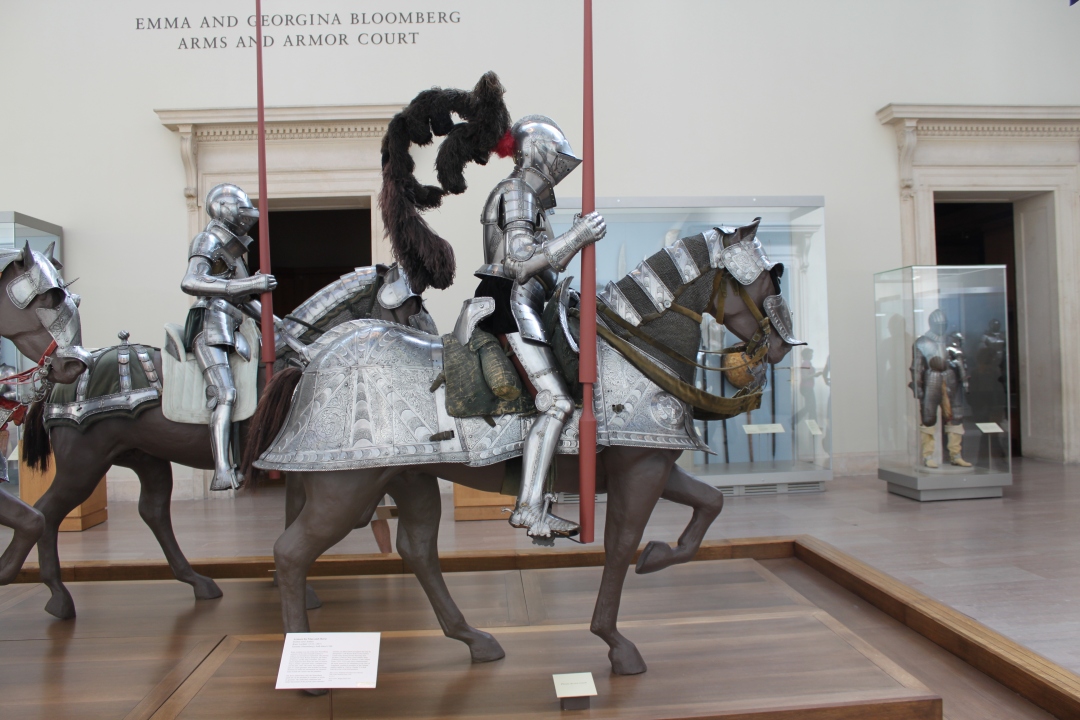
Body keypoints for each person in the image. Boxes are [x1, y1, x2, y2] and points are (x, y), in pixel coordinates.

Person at [473, 116, 606, 540]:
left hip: (527, 303)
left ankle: (540, 502)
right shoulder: (517, 192)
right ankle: (528, 509)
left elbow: (540, 264)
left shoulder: (527, 196)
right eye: (558, 161)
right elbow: (519, 263)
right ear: (541, 156)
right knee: (556, 404)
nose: (561, 171)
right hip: (511, 302)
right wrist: (578, 236)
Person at [180, 184, 277, 490]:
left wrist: (278, 322)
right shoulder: (207, 240)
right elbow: (191, 281)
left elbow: (245, 300)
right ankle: (222, 470)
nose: (247, 218)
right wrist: (246, 286)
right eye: (241, 211)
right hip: (209, 323)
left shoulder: (233, 252)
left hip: (230, 325)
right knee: (225, 393)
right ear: (226, 210)